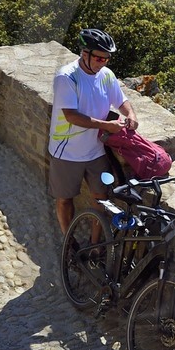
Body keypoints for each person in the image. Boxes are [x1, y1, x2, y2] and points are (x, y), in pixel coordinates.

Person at [49, 27, 138, 236]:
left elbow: (121, 100)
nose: (103, 63)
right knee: (64, 198)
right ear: (84, 53)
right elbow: (71, 116)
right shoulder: (67, 78)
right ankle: (68, 241)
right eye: (99, 58)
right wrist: (106, 126)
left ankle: (95, 245)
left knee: (102, 198)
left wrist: (131, 115)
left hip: (96, 151)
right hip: (67, 151)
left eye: (106, 59)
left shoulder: (106, 75)